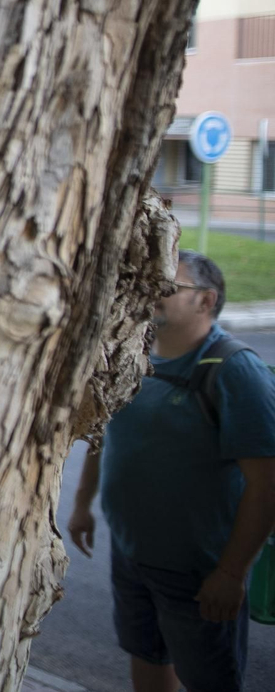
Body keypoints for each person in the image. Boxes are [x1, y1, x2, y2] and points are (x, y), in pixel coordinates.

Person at [68, 251, 275, 692]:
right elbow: (106, 434)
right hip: (131, 556)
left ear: (206, 301)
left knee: (209, 679)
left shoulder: (234, 370)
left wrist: (232, 573)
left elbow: (267, 484)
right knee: (146, 655)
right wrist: (83, 503)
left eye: (169, 286)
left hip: (200, 571)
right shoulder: (133, 357)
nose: (153, 292)